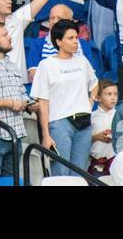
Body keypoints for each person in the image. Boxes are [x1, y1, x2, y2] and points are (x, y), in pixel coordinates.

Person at [32, 20, 97, 177]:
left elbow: (94, 83)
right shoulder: (46, 65)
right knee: (61, 172)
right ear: (58, 41)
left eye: (76, 37)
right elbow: (43, 101)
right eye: (70, 38)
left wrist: (91, 100)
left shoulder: (82, 61)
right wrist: (46, 134)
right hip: (60, 122)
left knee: (80, 172)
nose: (75, 41)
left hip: (84, 121)